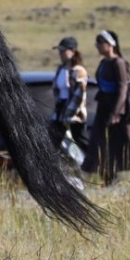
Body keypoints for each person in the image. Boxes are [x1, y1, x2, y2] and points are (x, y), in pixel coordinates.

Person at [87, 30, 130, 189]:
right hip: (104, 106)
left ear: (110, 45)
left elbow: (123, 88)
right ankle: (103, 175)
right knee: (98, 140)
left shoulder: (119, 63)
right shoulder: (104, 63)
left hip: (119, 110)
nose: (97, 46)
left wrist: (117, 112)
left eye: (100, 43)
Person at [49, 37, 89, 167]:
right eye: (59, 51)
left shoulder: (79, 71)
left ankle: (95, 166)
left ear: (72, 51)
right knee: (52, 140)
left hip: (74, 112)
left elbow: (79, 95)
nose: (60, 54)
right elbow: (57, 90)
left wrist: (69, 114)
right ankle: (52, 169)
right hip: (60, 110)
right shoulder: (61, 69)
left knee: (81, 141)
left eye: (63, 51)